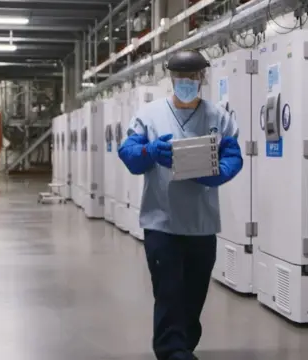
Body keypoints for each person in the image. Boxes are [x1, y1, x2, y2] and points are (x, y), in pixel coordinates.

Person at [118, 50, 243, 360]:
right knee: (169, 290)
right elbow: (129, 153)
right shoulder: (148, 116)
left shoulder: (219, 118)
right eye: (180, 77)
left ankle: (183, 343)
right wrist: (149, 151)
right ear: (170, 79)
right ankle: (171, 349)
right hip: (162, 222)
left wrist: (220, 172)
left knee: (194, 291)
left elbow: (233, 156)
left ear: (202, 78)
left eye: (193, 77)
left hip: (201, 224)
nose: (186, 82)